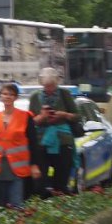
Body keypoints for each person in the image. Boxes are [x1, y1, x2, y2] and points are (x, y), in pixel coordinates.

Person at [0, 82, 40, 208]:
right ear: (0, 96)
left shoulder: (25, 117)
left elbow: (33, 142)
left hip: (17, 167)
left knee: (16, 203)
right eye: (4, 94)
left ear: (16, 97)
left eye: (11, 94)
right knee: (0, 204)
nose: (7, 97)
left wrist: (34, 165)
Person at [29, 67, 80, 196]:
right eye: (46, 86)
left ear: (57, 82)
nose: (49, 89)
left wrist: (64, 115)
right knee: (41, 178)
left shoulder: (65, 94)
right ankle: (45, 198)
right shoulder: (35, 97)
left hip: (62, 141)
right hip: (41, 141)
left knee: (62, 175)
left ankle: (60, 195)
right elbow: (30, 122)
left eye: (52, 86)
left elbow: (77, 116)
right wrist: (42, 116)